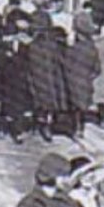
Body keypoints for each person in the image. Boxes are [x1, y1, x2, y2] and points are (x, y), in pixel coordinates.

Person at [28, 12, 67, 142]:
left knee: (39, 102)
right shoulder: (54, 45)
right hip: (51, 79)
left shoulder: (33, 45)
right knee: (48, 104)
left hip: (38, 79)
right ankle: (46, 124)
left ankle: (41, 125)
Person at [66, 13, 101, 139]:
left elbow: (66, 65)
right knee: (81, 107)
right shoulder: (92, 49)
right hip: (85, 82)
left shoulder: (72, 49)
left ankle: (74, 128)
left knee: (74, 107)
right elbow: (97, 69)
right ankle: (80, 128)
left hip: (71, 82)